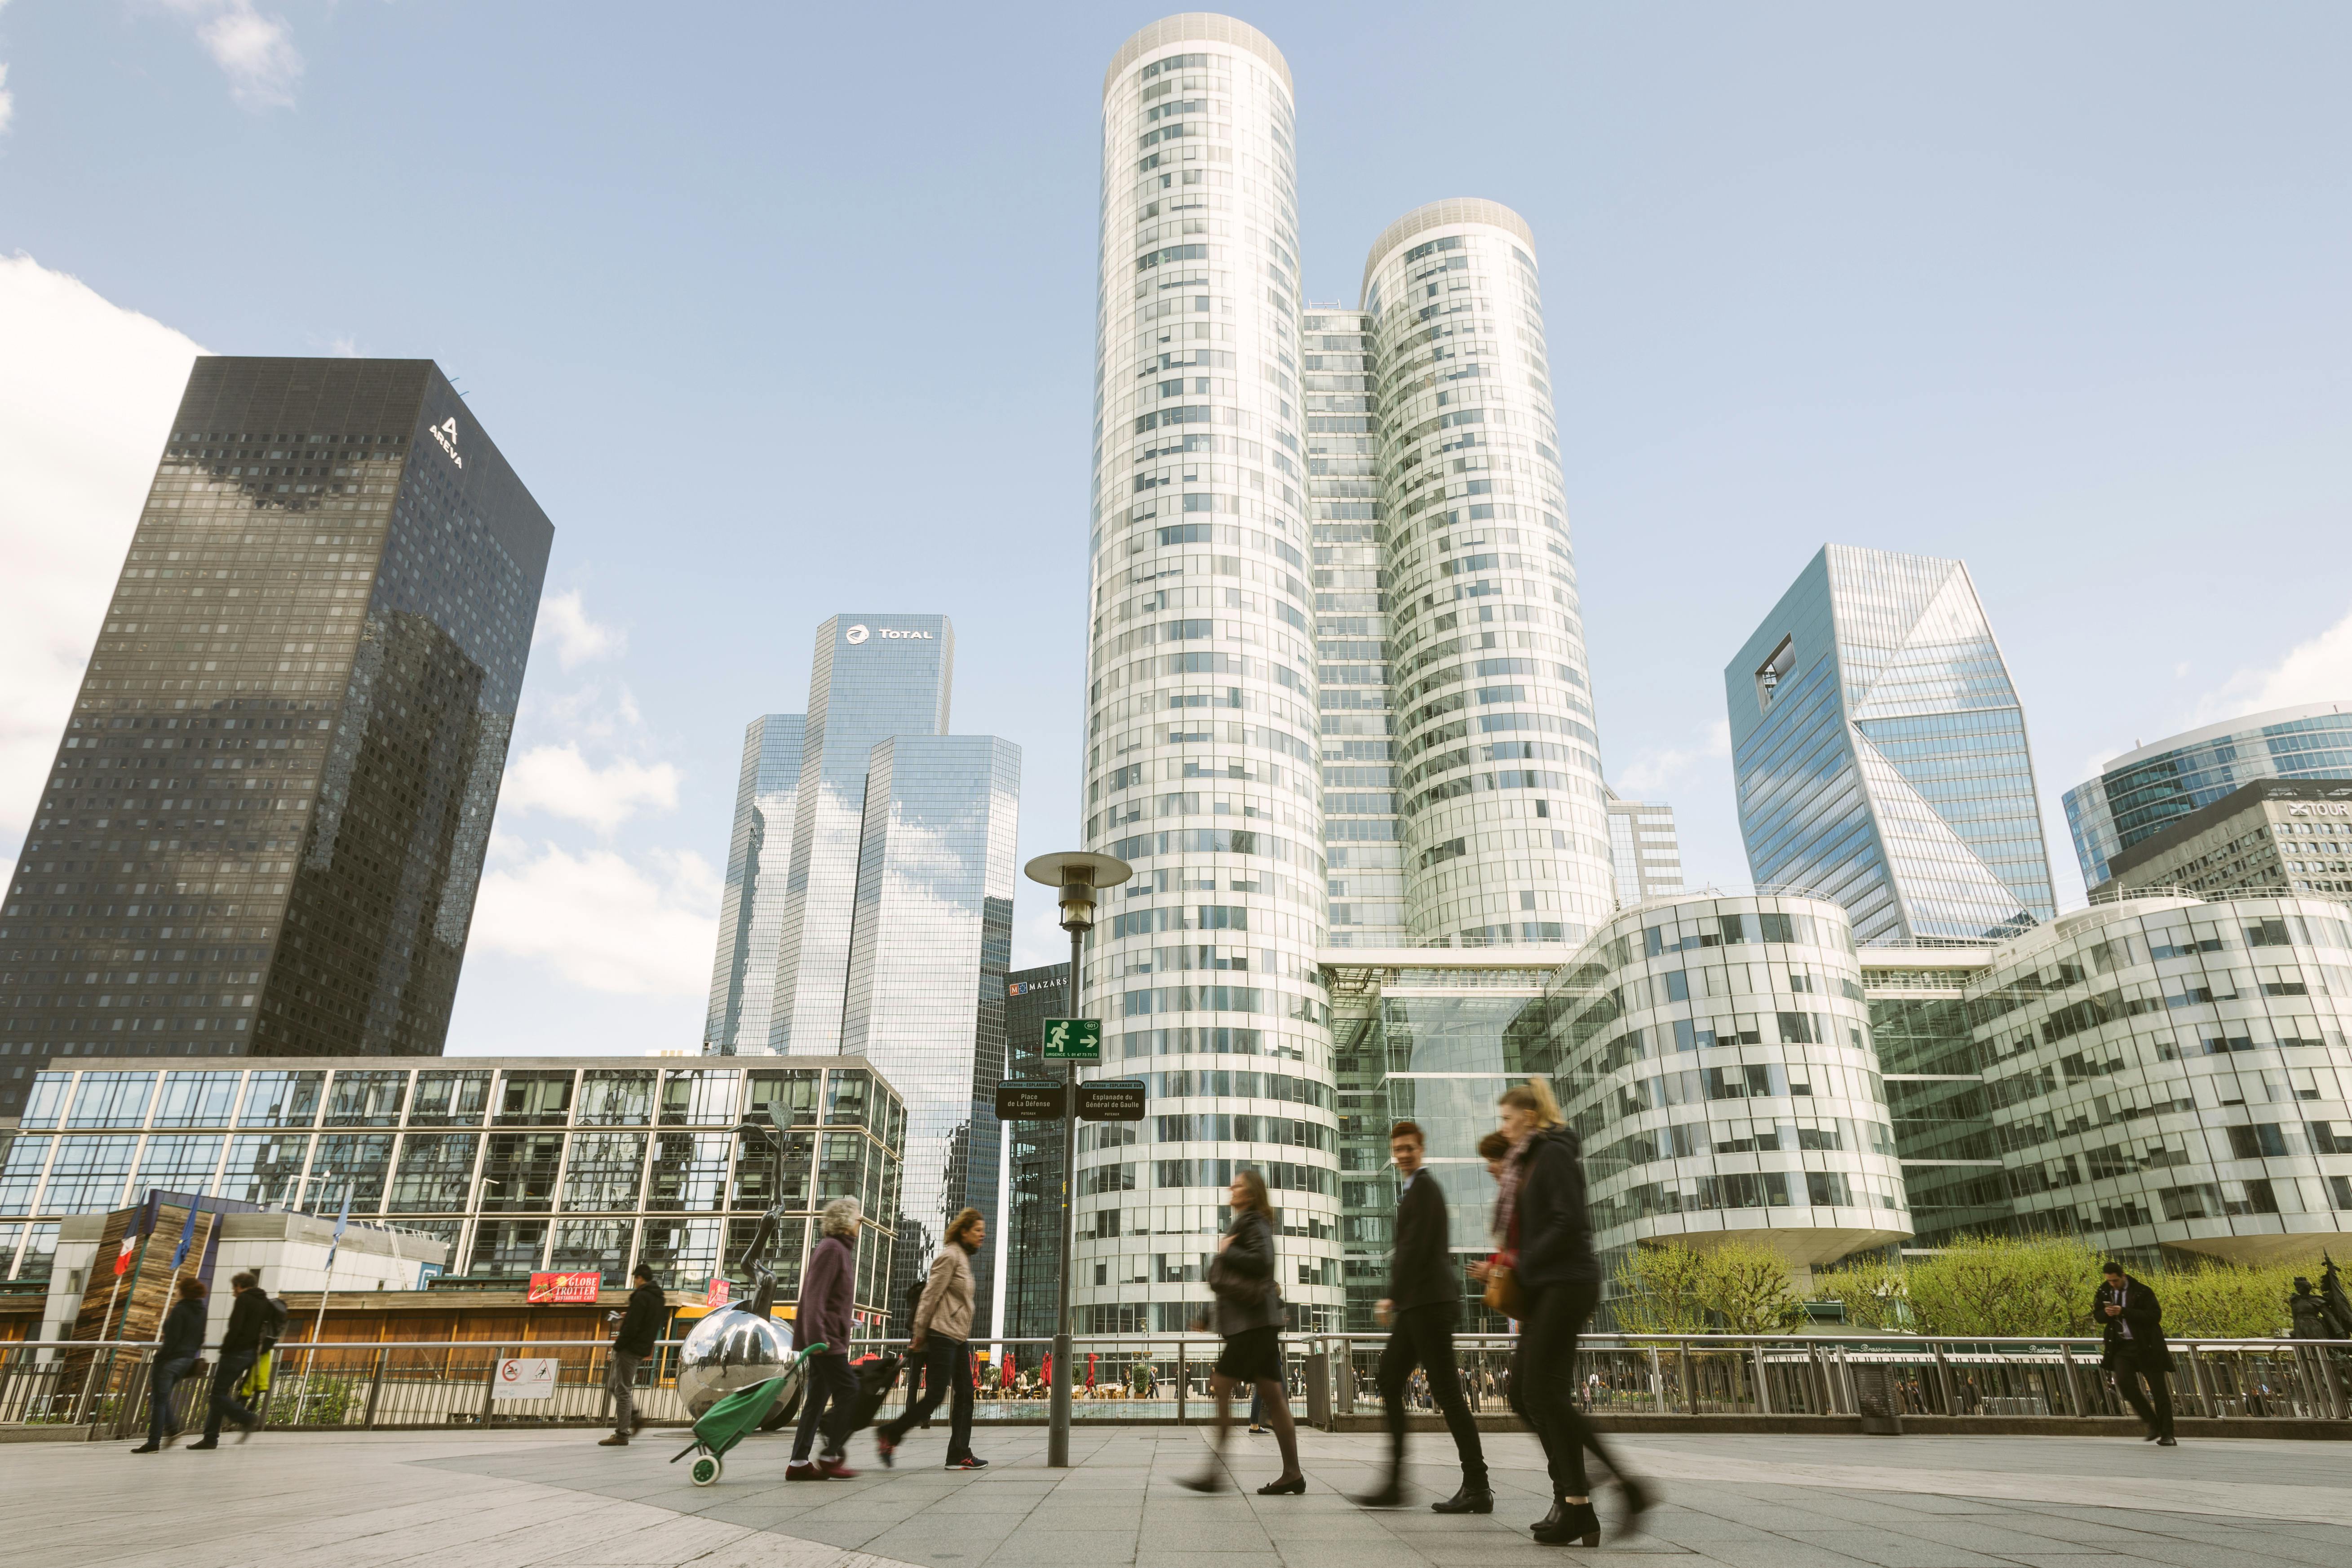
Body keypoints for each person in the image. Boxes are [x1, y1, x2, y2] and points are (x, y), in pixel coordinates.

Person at [1492, 1080, 1650, 1546]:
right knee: (1524, 1394)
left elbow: (1569, 1220)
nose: (1502, 1128)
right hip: (1547, 1287)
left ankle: (1617, 1486)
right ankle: (1576, 1501)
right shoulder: (1528, 1160)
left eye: (1507, 1118)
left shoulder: (1554, 1153)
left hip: (1567, 1282)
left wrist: (1522, 1261)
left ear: (1530, 1115)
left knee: (1543, 1393)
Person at [1355, 1120, 1489, 1514]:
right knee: (1389, 1377)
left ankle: (1477, 1485)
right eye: (1397, 1149)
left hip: (1427, 1306)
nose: (1403, 1154)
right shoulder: (1413, 1191)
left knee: (1446, 1392)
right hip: (1419, 1306)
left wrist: (1391, 1297)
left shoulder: (1425, 1189)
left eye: (1409, 1148)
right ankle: (1396, 1482)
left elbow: (1414, 1249)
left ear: (1421, 1149)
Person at [1180, 1169, 1304, 1495]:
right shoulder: (1246, 1223)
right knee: (1274, 1398)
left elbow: (1262, 1263)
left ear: (1249, 1195)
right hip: (1256, 1324)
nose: (1230, 1189)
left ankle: (1215, 1473)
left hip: (1253, 1326)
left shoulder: (1253, 1222)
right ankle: (1292, 1474)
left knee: (1221, 1384)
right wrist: (1208, 1316)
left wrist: (1227, 1249)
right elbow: (1235, 1285)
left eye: (1237, 1186)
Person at [876, 1206, 988, 1470]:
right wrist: (919, 1333)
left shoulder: (962, 1257)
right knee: (936, 1394)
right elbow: (930, 1296)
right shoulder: (950, 1256)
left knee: (966, 1394)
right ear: (964, 1231)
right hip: (943, 1334)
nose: (982, 1236)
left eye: (983, 1231)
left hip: (958, 1337)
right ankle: (890, 1433)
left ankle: (959, 1453)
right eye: (978, 1231)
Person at [787, 1197, 864, 1480]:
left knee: (817, 1401)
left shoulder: (839, 1250)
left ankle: (798, 1463)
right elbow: (814, 1297)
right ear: (845, 1220)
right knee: (851, 1391)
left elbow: (830, 1301)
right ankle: (831, 1455)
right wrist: (819, 1338)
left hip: (830, 1337)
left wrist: (847, 1319)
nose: (860, 1222)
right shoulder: (832, 1249)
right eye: (857, 1217)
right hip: (826, 1343)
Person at [2096, 1260, 2175, 1446]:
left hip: (2147, 1347)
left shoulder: (2142, 1291)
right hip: (2122, 1347)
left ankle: (2168, 1434)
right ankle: (2152, 1422)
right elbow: (2097, 1315)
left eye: (2115, 1280)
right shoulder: (2104, 1290)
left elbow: (2154, 1316)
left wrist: (2124, 1312)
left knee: (2159, 1392)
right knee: (2124, 1384)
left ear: (2123, 1276)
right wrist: (2106, 1313)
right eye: (2109, 1281)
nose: (2112, 1284)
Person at [188, 1270, 270, 1448]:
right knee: (219, 1395)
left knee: (216, 1394)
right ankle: (210, 1439)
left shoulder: (244, 1299)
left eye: (234, 1288)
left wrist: (226, 1350)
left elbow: (235, 1327)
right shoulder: (264, 1301)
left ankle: (246, 1418)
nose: (233, 1292)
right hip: (253, 1354)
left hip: (236, 1352)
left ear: (240, 1286)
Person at [132, 1275, 208, 1453]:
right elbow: (201, 1337)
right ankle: (172, 1429)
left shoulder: (180, 1309)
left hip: (171, 1361)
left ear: (183, 1291)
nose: (176, 1292)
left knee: (158, 1400)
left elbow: (172, 1339)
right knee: (159, 1398)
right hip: (187, 1360)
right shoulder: (202, 1310)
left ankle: (154, 1442)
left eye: (178, 1289)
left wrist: (160, 1359)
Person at [598, 1262, 665, 1446]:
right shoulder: (658, 1298)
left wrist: (619, 1345)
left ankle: (622, 1434)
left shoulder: (642, 1296)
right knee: (614, 1385)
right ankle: (636, 1417)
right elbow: (647, 1323)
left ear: (639, 1278)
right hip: (642, 1347)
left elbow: (634, 1327)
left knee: (623, 1390)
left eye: (635, 1279)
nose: (634, 1282)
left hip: (630, 1349)